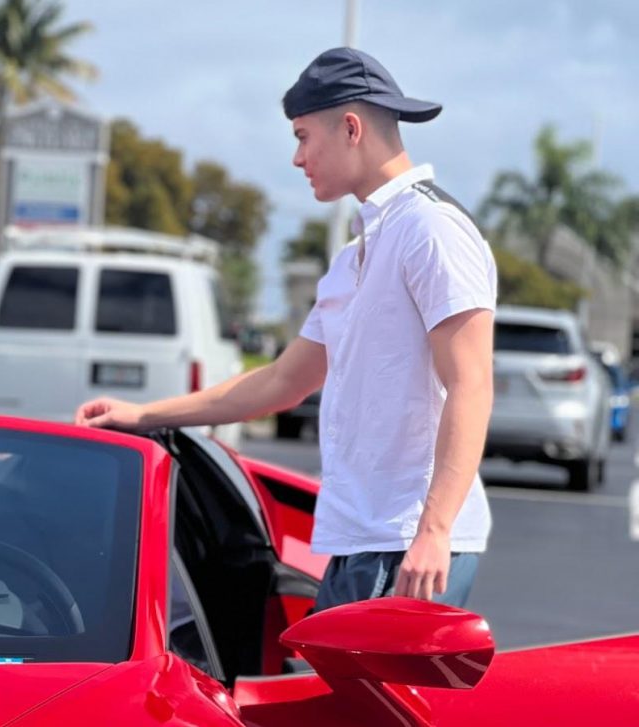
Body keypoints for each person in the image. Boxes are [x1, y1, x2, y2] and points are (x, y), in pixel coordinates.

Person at [75, 47, 496, 613]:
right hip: (365, 540)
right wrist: (145, 415)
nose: (297, 158)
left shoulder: (430, 228)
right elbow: (282, 382)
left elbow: (472, 382)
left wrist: (435, 530)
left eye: (303, 137)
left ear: (351, 129)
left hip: (407, 544)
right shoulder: (355, 254)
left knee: (331, 677)